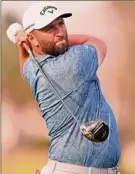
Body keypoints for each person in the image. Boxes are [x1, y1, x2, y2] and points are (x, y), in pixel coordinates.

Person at [15, 2, 121, 174]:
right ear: (32, 39)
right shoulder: (75, 62)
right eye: (49, 28)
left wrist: (24, 44)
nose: (60, 32)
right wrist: (60, 40)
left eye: (61, 24)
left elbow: (25, 66)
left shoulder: (33, 69)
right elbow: (97, 42)